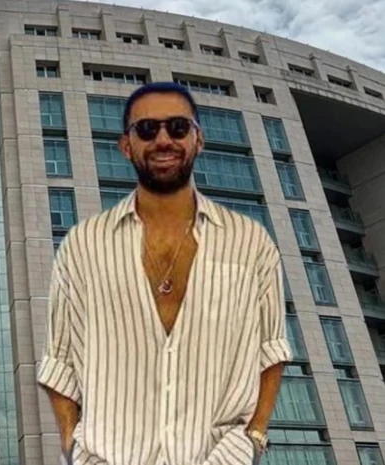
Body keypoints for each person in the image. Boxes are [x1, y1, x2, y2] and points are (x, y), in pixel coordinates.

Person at [37, 82, 292, 465]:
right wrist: (72, 444)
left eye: (177, 127)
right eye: (146, 129)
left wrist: (254, 437)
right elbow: (59, 360)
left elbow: (271, 348)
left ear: (198, 139)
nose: (162, 140)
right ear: (126, 146)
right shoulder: (83, 244)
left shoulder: (250, 241)